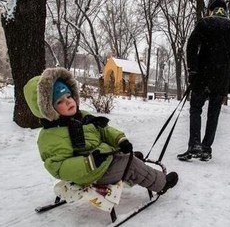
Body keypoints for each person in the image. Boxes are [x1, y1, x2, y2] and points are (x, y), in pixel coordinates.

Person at [23, 67, 178, 195]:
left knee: (127, 155)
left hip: (103, 161)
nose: (68, 101)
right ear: (48, 109)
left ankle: (127, 162)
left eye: (69, 96)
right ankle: (161, 183)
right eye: (60, 101)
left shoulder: (81, 117)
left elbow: (103, 130)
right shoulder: (50, 137)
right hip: (90, 174)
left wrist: (120, 140)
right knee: (131, 164)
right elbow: (59, 168)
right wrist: (88, 163)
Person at [177, 0, 230, 162]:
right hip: (222, 79)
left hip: (203, 75)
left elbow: (191, 45)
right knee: (214, 114)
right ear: (225, 10)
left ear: (212, 10)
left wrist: (192, 69)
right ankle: (206, 149)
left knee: (196, 109)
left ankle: (194, 145)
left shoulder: (205, 23)